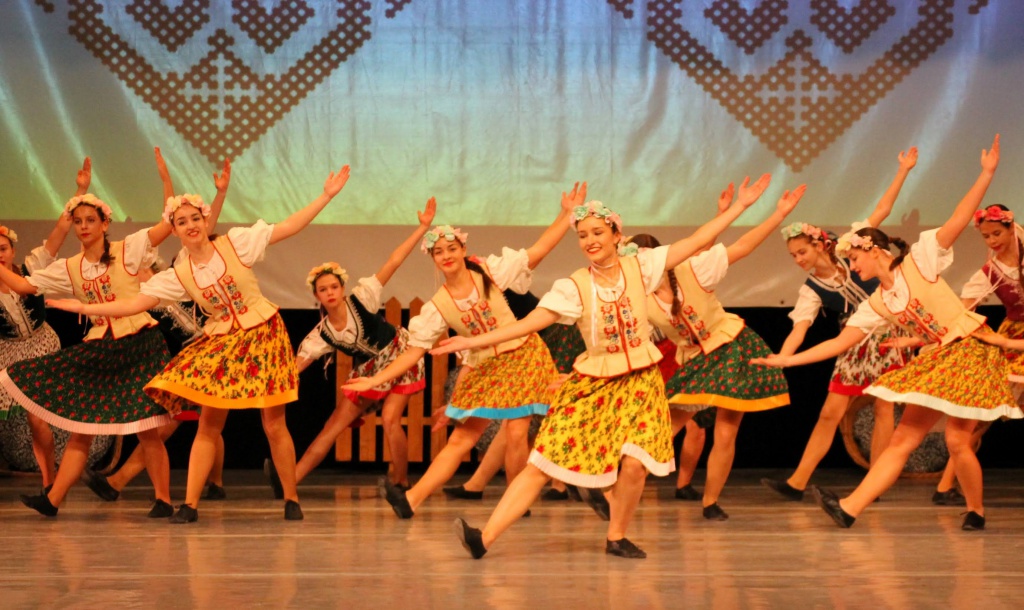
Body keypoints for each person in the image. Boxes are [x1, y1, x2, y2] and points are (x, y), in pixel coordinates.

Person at [432, 180, 771, 559]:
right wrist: (471, 341)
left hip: (640, 383)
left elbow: (696, 241)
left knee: (635, 465)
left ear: (616, 236)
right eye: (582, 235)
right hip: (593, 385)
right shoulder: (574, 286)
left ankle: (617, 536)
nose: (590, 240)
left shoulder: (642, 267)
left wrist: (739, 207)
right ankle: (484, 538)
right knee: (542, 462)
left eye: (597, 232)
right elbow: (531, 322)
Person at [48, 165, 352, 523]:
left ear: (206, 220)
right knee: (209, 423)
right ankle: (190, 504)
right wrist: (86, 307)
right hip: (223, 341)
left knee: (273, 424)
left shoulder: (236, 244)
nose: (190, 225)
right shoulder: (179, 274)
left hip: (263, 333)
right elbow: (134, 302)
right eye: (181, 222)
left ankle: (290, 497)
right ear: (174, 230)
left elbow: (288, 226)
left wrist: (326, 196)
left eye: (195, 218)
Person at [753, 135, 1020, 531]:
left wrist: (986, 174)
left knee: (957, 442)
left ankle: (976, 511)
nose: (852, 266)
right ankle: (849, 508)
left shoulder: (920, 259)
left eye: (854, 258)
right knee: (902, 440)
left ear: (874, 250)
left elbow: (958, 219)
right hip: (937, 362)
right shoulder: (877, 303)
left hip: (969, 352)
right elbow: (839, 342)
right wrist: (788, 360)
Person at [345, 183, 586, 519]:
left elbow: (540, 248)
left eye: (451, 248)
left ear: (462, 249)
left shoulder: (489, 272)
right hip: (486, 368)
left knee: (517, 430)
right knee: (461, 438)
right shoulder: (437, 306)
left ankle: (515, 503)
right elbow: (413, 352)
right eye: (438, 252)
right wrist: (375, 381)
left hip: (522, 356)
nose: (446, 255)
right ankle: (411, 500)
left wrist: (566, 214)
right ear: (433, 258)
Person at [0, 153, 180, 518]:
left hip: (139, 345)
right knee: (83, 428)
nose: (83, 227)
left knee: (146, 429)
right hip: (102, 348)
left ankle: (163, 500)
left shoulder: (129, 248)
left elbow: (167, 224)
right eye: (78, 221)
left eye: (90, 220)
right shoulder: (70, 267)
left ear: (104, 223)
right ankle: (52, 500)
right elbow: (23, 285)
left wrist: (165, 180)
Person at [629, 180, 804, 520]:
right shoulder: (638, 299)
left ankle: (710, 502)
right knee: (666, 424)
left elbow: (742, 246)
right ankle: (620, 488)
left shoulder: (693, 269)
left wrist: (778, 214)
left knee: (726, 431)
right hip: (696, 360)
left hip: (730, 348)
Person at [761, 148, 918, 501]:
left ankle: (873, 484)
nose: (798, 260)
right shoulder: (811, 289)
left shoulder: (853, 248)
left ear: (820, 245)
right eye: (793, 256)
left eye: (802, 252)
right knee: (830, 411)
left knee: (883, 407)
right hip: (853, 341)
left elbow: (882, 210)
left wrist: (903, 170)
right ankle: (797, 482)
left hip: (887, 333)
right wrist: (782, 358)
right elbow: (799, 329)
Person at [278, 198, 436, 494]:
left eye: (334, 287)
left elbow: (393, 262)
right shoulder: (322, 333)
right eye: (323, 290)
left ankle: (401, 482)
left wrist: (422, 228)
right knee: (332, 426)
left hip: (401, 354)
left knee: (390, 418)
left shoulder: (362, 299)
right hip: (371, 369)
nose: (330, 293)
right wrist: (269, 385)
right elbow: (296, 367)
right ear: (317, 296)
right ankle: (289, 483)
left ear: (342, 288)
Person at [0, 160, 83, 489]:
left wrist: (79, 191)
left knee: (37, 417)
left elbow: (60, 232)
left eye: (2, 249)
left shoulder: (31, 267)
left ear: (13, 250)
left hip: (40, 345)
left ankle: (50, 483)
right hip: (6, 352)